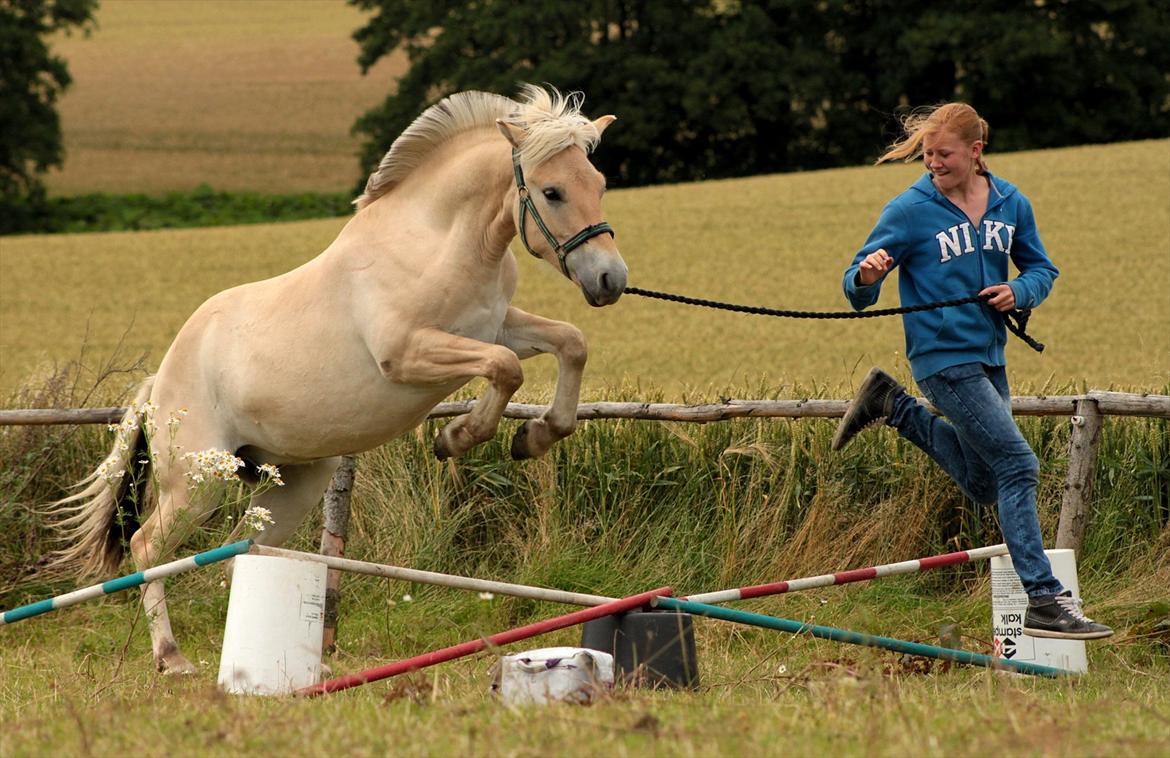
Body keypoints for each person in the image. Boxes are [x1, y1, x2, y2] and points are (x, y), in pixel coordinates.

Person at [832, 103, 1111, 640]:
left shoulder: (1011, 203)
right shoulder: (909, 210)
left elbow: (1041, 269)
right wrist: (866, 277)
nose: (932, 164)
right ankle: (1045, 599)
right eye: (927, 154)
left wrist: (1020, 290)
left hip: (989, 356)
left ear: (975, 151)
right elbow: (855, 289)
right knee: (1018, 465)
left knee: (987, 481)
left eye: (944, 154)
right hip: (941, 358)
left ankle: (891, 405)